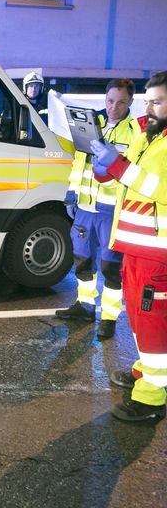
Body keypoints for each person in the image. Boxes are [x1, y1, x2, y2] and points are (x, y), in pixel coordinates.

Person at [90, 71, 167, 423]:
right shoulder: (150, 135)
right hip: (136, 248)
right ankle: (144, 370)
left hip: (156, 254)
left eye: (158, 101)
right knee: (139, 318)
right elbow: (127, 174)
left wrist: (116, 165)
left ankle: (152, 398)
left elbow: (154, 186)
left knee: (152, 324)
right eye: (149, 99)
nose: (149, 107)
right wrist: (103, 167)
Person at [55, 79, 140, 340]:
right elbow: (79, 163)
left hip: (111, 211)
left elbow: (133, 174)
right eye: (110, 100)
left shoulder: (135, 133)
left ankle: (109, 318)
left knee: (111, 267)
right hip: (84, 207)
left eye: (121, 102)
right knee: (82, 260)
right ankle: (86, 306)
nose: (114, 107)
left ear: (130, 103)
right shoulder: (91, 124)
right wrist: (71, 193)